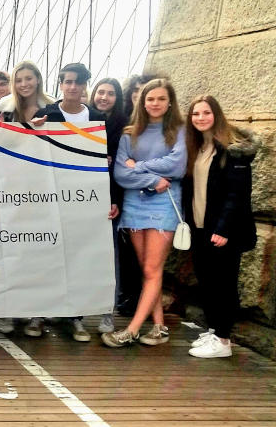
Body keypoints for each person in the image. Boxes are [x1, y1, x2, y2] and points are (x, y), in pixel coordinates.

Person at [102, 78, 187, 348]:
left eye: (161, 99)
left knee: (152, 269)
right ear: (142, 101)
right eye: (150, 99)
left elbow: (177, 165)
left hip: (165, 204)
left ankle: (132, 329)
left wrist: (138, 166)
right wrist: (151, 178)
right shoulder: (129, 133)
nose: (155, 103)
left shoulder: (180, 131)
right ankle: (160, 327)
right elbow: (120, 174)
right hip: (136, 203)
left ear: (170, 101)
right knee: (149, 270)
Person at [27, 63, 105, 342]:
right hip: (49, 197)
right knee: (45, 256)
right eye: (68, 81)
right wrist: (33, 132)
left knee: (77, 258)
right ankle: (38, 313)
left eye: (78, 82)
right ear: (60, 84)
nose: (73, 87)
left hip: (83, 199)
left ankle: (75, 317)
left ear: (85, 85)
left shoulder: (97, 117)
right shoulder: (46, 114)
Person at [183, 95, 258, 358]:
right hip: (201, 227)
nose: (201, 118)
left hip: (223, 231)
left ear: (217, 115)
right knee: (207, 283)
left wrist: (224, 229)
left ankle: (224, 340)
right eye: (195, 114)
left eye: (206, 113)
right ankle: (215, 330)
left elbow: (237, 195)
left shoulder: (233, 150)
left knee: (224, 285)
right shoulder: (197, 148)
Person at [89, 78, 128, 334]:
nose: (104, 97)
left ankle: (107, 313)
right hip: (80, 197)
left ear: (118, 97)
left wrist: (116, 200)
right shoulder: (84, 119)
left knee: (108, 260)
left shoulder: (124, 127)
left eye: (110, 93)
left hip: (109, 200)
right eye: (100, 92)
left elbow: (122, 168)